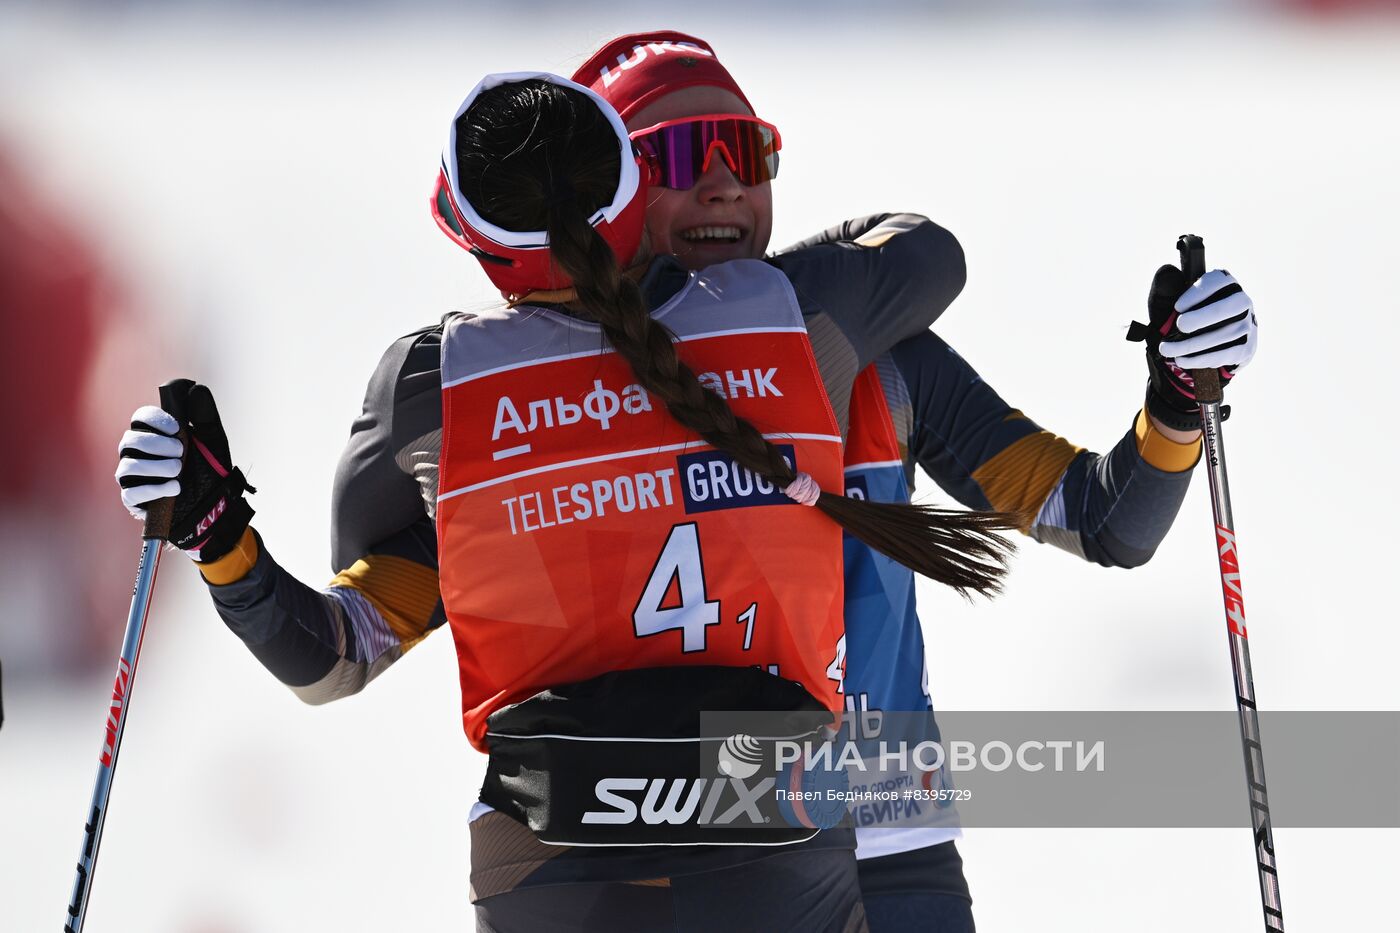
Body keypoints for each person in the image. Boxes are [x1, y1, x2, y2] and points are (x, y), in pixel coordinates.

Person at [115, 72, 1019, 932]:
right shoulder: (780, 311)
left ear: (466, 235)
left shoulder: (434, 384)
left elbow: (330, 655)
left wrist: (220, 537)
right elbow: (930, 253)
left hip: (548, 850)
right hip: (767, 815)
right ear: (631, 201)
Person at [568, 31, 1260, 933]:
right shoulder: (559, 389)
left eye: (747, 151)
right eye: (681, 157)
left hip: (894, 851)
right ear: (609, 197)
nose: (725, 184)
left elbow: (1101, 520)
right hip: (676, 859)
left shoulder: (880, 365)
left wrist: (1173, 402)